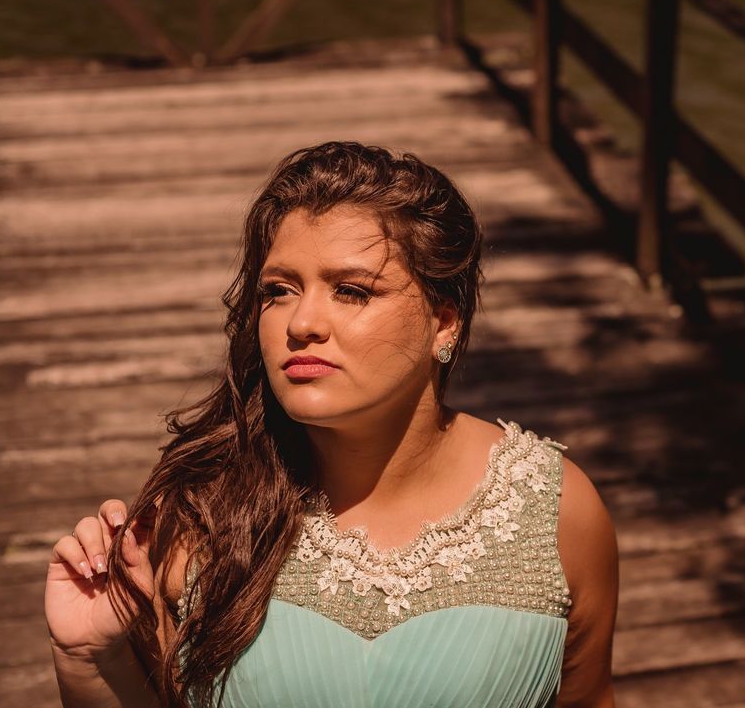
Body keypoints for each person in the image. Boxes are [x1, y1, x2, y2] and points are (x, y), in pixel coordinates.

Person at [44, 142, 620, 708]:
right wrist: (92, 659)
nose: (303, 322)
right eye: (279, 291)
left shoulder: (555, 511)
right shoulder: (202, 512)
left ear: (444, 323)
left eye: (351, 291)